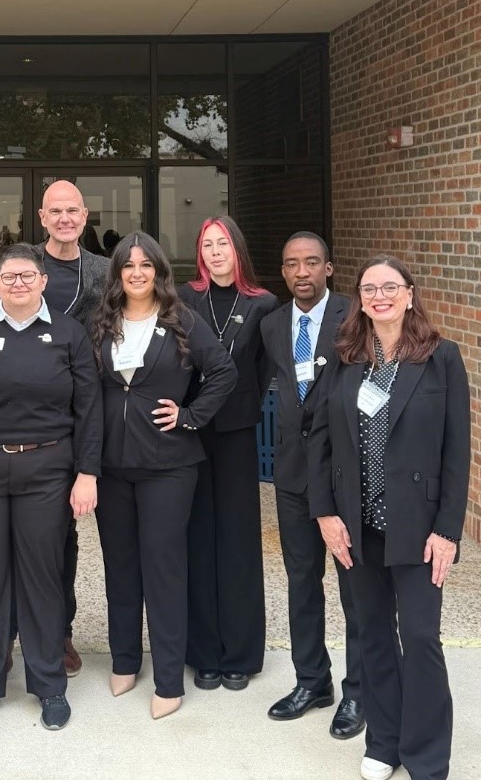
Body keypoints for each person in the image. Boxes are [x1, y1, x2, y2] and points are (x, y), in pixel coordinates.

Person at [308, 256, 471, 780]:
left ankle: (425, 756)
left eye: (390, 287)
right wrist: (325, 513)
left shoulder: (441, 358)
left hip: (419, 527)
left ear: (409, 293)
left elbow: (456, 452)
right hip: (356, 524)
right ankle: (384, 742)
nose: (379, 296)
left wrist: (448, 529)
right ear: (360, 298)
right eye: (369, 288)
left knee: (421, 638)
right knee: (373, 633)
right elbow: (320, 441)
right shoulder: (345, 357)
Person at [0, 242, 103, 733]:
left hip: (48, 473)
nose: (18, 284)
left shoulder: (68, 334)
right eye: (8, 277)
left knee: (42, 578)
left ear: (43, 282)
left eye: (27, 276)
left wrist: (88, 473)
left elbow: (89, 410)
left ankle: (49, 683)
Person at [92, 233, 238, 720]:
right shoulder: (102, 322)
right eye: (127, 266)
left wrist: (191, 415)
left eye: (145, 265)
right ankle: (125, 659)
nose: (136, 273)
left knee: (164, 568)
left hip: (169, 467)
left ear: (158, 271)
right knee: (120, 565)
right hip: (113, 466)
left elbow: (223, 371)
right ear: (117, 274)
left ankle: (170, 677)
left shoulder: (181, 320)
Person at [260, 233, 364, 739]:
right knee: (302, 582)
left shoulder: (355, 317)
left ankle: (360, 690)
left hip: (346, 475)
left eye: (312, 263)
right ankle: (312, 680)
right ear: (283, 272)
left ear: (329, 268)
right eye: (292, 264)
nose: (302, 272)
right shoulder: (273, 324)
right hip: (294, 475)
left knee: (354, 586)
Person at [179, 215, 278, 690]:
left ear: (237, 248)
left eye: (223, 243)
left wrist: (237, 409)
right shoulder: (184, 298)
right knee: (198, 539)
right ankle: (204, 654)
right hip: (191, 433)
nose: (215, 251)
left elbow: (263, 373)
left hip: (237, 434)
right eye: (207, 244)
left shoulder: (264, 305)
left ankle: (239, 653)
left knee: (237, 542)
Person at [37, 178, 110, 675]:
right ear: (42, 217)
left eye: (73, 211)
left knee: (64, 537)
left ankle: (61, 633)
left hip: (80, 415)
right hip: (23, 418)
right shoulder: (20, 269)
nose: (65, 218)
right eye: (55, 211)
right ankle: (11, 631)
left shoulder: (106, 272)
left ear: (86, 217)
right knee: (14, 537)